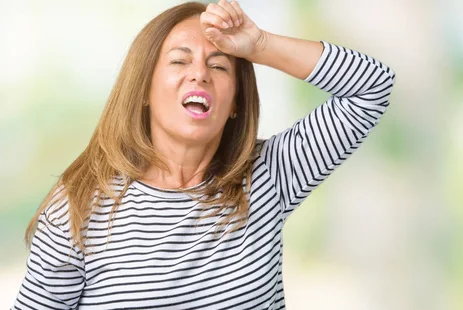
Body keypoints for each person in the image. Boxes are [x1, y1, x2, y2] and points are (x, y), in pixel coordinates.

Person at [12, 0, 395, 309]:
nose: (200, 74)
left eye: (218, 65)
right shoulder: (79, 204)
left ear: (234, 104)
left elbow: (372, 86)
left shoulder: (269, 174)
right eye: (179, 61)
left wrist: (258, 45)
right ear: (143, 90)